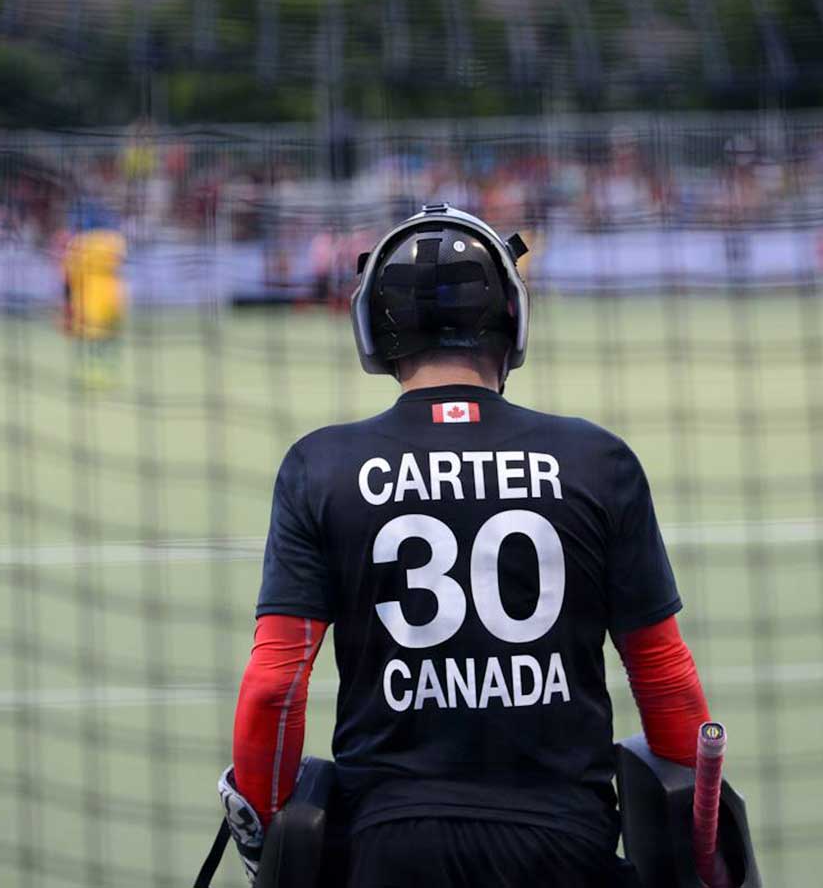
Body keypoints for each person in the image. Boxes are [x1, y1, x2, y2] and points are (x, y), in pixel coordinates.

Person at [219, 205, 713, 887]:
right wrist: (703, 840)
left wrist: (266, 824)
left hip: (390, 849)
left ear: (373, 327)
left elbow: (275, 686)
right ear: (512, 320)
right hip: (568, 845)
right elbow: (664, 674)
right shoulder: (598, 460)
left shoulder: (320, 467)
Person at [62, 214, 128, 389]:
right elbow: (120, 264)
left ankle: (89, 375)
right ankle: (110, 374)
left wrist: (67, 301)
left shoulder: (77, 243)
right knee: (110, 337)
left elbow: (69, 275)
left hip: (87, 294)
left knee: (87, 338)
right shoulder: (115, 240)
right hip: (114, 294)